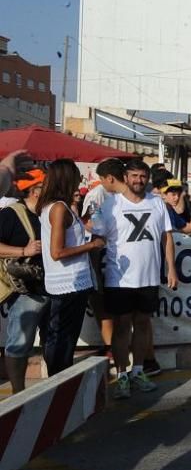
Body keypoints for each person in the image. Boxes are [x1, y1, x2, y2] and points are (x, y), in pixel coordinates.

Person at [102, 159, 178, 399]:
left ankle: (138, 371)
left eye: (143, 176)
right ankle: (122, 374)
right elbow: (97, 238)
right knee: (122, 326)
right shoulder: (111, 204)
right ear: (125, 177)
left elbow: (167, 238)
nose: (138, 180)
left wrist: (171, 268)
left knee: (144, 324)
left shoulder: (157, 203)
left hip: (149, 276)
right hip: (119, 279)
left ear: (148, 178)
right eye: (134, 176)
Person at [38, 159, 104, 378]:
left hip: (74, 282)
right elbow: (57, 252)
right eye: (77, 175)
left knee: (66, 338)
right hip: (67, 283)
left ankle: (61, 382)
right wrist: (91, 245)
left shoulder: (62, 206)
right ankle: (58, 384)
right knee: (62, 339)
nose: (80, 179)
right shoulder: (58, 208)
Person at [0, 170, 49, 393]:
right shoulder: (11, 214)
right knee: (19, 344)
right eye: (46, 184)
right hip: (25, 291)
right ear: (34, 190)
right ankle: (19, 393)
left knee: (53, 341)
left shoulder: (50, 211)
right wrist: (23, 250)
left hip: (51, 287)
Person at [81, 158, 128, 359]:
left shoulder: (104, 194)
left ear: (108, 177)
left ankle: (114, 346)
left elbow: (92, 224)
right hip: (103, 255)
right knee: (104, 303)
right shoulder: (97, 195)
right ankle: (111, 346)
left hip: (114, 255)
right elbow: (92, 222)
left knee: (111, 305)